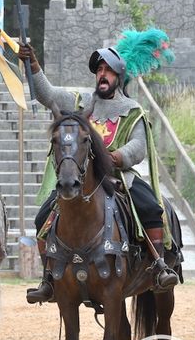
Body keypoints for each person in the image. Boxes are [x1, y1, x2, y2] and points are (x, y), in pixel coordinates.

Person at [18, 29, 180, 303]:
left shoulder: (132, 110)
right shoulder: (80, 102)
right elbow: (48, 94)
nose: (102, 75)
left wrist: (116, 156)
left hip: (120, 178)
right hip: (82, 178)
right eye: (99, 70)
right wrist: (32, 64)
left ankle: (158, 266)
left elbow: (138, 146)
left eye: (108, 71)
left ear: (119, 76)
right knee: (42, 217)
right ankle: (49, 279)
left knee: (151, 208)